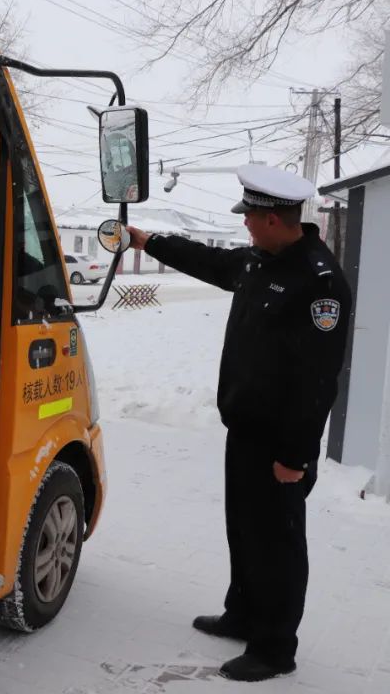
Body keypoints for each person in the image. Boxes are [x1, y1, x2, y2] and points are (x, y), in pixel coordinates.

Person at [126, 163, 352, 682]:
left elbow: (318, 381)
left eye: (250, 216)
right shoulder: (260, 260)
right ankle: (244, 613)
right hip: (246, 431)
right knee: (246, 531)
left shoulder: (318, 282)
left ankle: (274, 648)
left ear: (272, 219)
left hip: (280, 443)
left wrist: (294, 457)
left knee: (277, 543)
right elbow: (209, 261)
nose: (244, 224)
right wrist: (148, 241)